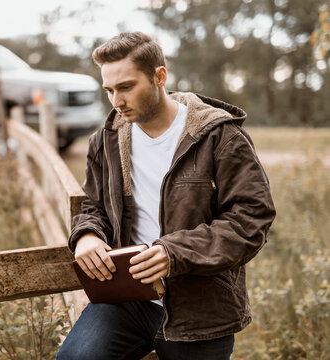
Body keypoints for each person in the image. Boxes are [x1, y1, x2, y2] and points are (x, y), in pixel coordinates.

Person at [56, 32, 276, 360]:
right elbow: (94, 204)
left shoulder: (221, 137)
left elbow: (250, 219)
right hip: (126, 301)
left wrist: (172, 253)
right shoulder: (108, 139)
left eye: (127, 87)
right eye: (110, 90)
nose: (116, 101)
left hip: (200, 312)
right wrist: (87, 234)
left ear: (160, 77)